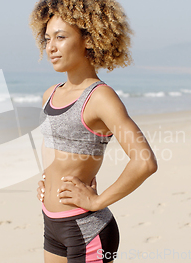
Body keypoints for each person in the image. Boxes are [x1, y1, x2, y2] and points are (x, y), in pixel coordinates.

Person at [28, 1, 158, 262]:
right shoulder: (50, 94)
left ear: (88, 39)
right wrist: (46, 182)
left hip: (88, 230)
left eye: (61, 37)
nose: (51, 47)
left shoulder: (100, 97)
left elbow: (145, 162)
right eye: (47, 38)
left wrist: (97, 202)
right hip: (52, 223)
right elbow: (56, 148)